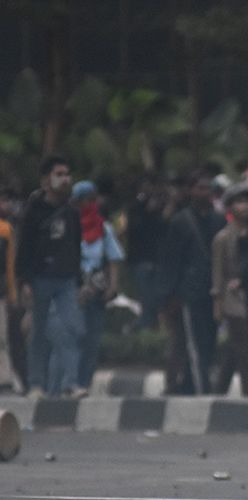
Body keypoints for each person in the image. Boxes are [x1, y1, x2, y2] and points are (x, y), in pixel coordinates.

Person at [15, 156, 86, 399]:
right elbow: (24, 247)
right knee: (38, 333)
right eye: (59, 174)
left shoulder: (71, 211)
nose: (65, 179)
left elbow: (76, 245)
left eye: (67, 174)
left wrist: (78, 279)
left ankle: (71, 382)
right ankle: (36, 384)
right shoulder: (34, 211)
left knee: (72, 328)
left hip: (66, 278)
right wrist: (24, 280)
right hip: (40, 278)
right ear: (46, 180)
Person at [158, 169, 226, 395]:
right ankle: (201, 388)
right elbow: (171, 261)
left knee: (209, 340)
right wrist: (169, 294)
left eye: (207, 188)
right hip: (189, 293)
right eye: (199, 188)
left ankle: (188, 384)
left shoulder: (218, 220)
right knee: (192, 342)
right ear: (190, 190)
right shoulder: (180, 221)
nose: (204, 192)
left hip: (213, 291)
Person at [69, 180, 124, 391]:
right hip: (72, 286)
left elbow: (113, 258)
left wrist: (112, 287)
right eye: (85, 200)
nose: (90, 204)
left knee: (92, 338)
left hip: (96, 286)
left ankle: (85, 382)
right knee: (74, 336)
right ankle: (70, 380)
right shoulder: (70, 224)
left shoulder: (104, 228)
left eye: (93, 199)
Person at [211, 181, 248, 395]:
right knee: (243, 346)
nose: (244, 207)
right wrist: (218, 301)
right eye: (239, 202)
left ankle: (219, 388)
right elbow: (218, 272)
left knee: (238, 346)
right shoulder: (223, 238)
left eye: (247, 201)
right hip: (233, 297)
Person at [125, 174, 168, 331]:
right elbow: (134, 231)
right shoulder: (135, 207)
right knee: (146, 295)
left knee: (155, 295)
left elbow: (162, 231)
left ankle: (152, 325)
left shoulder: (159, 207)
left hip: (155, 258)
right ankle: (146, 324)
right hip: (140, 258)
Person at [0, 187, 18, 392]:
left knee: (2, 338)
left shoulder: (5, 230)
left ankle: (4, 379)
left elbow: (10, 265)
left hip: (0, 292)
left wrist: (13, 293)